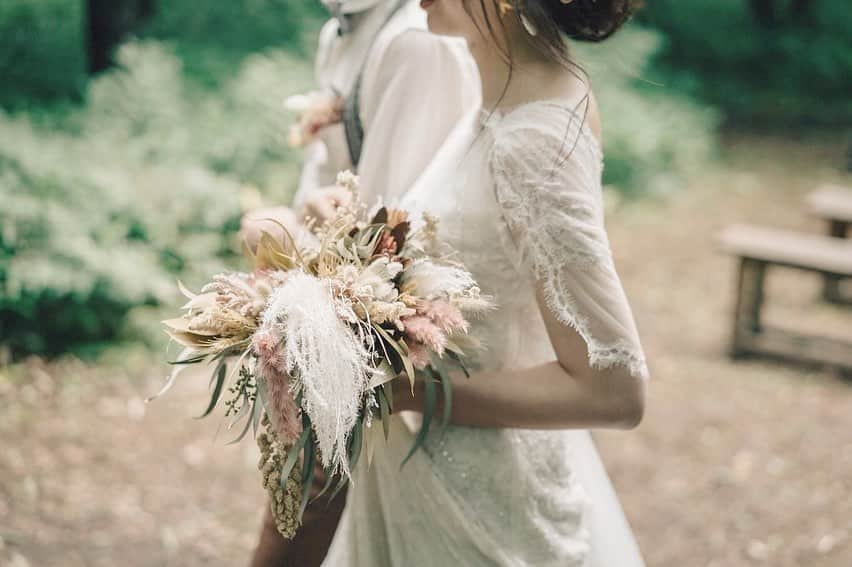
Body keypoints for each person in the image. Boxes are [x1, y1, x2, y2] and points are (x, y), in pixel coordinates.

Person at [321, 0, 649, 565]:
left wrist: (399, 389)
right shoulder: (497, 90)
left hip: (486, 511)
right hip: (422, 480)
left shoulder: (536, 140)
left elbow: (613, 388)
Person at [245, 2, 478, 566]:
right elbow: (326, 183)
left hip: (397, 356)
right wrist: (291, 223)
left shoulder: (418, 43)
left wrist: (285, 228)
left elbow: (390, 240)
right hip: (331, 327)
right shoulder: (338, 32)